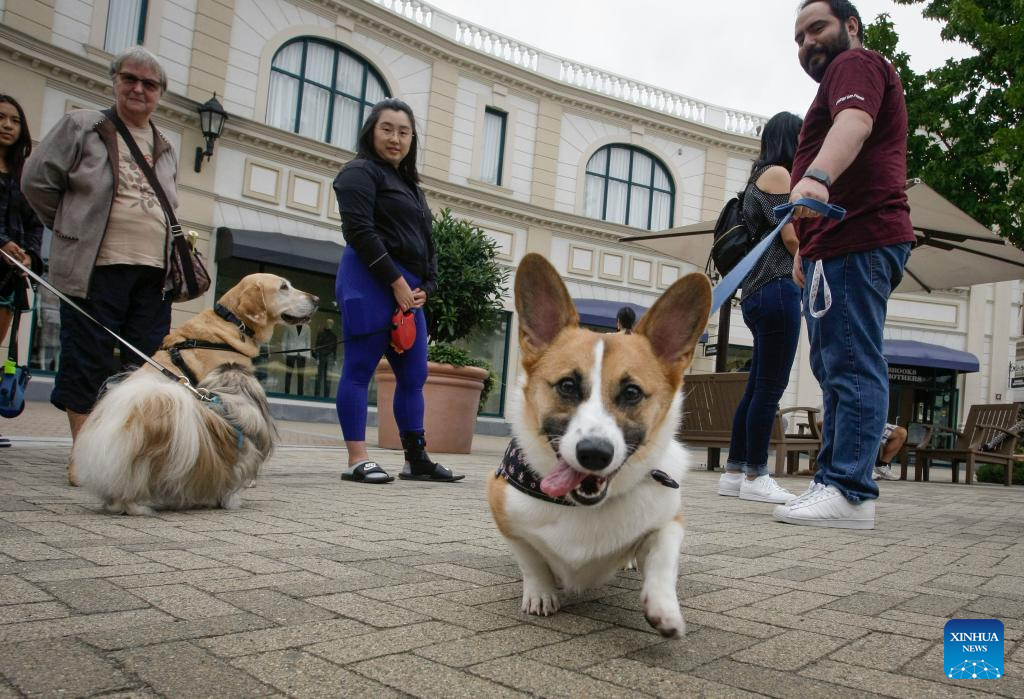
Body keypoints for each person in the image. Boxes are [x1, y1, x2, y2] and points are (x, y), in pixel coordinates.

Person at [773, 0, 915, 529]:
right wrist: (808, 246)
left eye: (818, 28)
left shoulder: (855, 66)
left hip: (860, 235)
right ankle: (834, 480)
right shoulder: (834, 80)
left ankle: (850, 492)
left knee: (851, 361)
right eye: (798, 37)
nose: (807, 42)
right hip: (835, 244)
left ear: (850, 26)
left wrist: (817, 177)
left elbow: (854, 123)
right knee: (835, 365)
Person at [22, 47, 178, 485]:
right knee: (86, 359)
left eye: (149, 84)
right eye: (130, 79)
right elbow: (36, 181)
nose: (138, 89)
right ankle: (83, 454)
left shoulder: (165, 146)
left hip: (153, 274)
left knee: (141, 368)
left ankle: (125, 454)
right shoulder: (84, 126)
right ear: (114, 81)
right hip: (97, 266)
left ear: (160, 93)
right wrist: (71, 228)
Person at [332, 98, 463, 484]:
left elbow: (427, 243)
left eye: (403, 132)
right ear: (371, 131)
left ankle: (415, 458)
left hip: (410, 292)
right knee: (359, 370)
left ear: (412, 139)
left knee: (413, 375)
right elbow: (360, 232)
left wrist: (427, 286)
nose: (395, 138)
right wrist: (397, 282)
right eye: (387, 129)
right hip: (370, 281)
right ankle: (358, 458)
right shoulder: (358, 172)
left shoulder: (411, 186)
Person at [717, 112, 804, 505]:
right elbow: (790, 239)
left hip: (755, 294)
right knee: (770, 388)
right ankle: (756, 474)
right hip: (778, 288)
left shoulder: (756, 178)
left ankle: (735, 471)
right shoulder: (780, 175)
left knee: (756, 386)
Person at [0, 94, 45, 448]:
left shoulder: (23, 175)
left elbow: (35, 223)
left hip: (7, 274)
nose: (7, 125)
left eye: (14, 120)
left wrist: (28, 254)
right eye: (1, 118)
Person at [280, 323, 311, 395]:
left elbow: (308, 341)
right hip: (291, 352)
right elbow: (284, 339)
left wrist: (308, 355)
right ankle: (286, 392)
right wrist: (284, 353)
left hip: (302, 354)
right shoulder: (289, 325)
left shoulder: (307, 327)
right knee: (288, 374)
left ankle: (300, 394)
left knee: (301, 375)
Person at [314, 318, 338, 398]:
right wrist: (317, 357)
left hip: (329, 357)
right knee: (319, 377)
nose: (330, 325)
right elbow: (317, 345)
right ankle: (316, 395)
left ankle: (326, 396)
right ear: (326, 323)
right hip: (321, 356)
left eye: (331, 323)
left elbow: (334, 349)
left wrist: (334, 359)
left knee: (327, 378)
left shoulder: (334, 336)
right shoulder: (321, 333)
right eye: (328, 323)